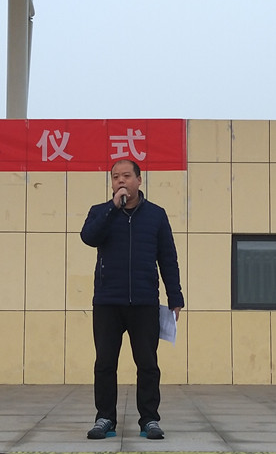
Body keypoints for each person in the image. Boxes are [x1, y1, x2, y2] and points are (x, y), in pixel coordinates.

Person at [80, 158, 184, 440]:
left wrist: (175, 297)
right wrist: (112, 209)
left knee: (147, 364)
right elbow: (88, 237)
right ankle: (105, 418)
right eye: (116, 177)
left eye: (126, 176)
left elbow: (168, 257)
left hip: (144, 302)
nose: (121, 181)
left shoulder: (156, 215)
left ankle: (149, 419)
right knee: (105, 363)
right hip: (107, 301)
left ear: (139, 180)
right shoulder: (100, 212)